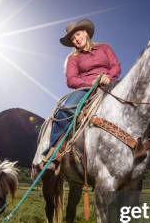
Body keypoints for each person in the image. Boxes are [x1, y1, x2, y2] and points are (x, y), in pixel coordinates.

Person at [40, 19, 121, 170]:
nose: (76, 39)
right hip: (86, 89)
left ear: (85, 33)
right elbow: (71, 80)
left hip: (110, 84)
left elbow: (115, 65)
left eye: (78, 34)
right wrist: (92, 83)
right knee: (66, 109)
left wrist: (108, 77)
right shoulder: (73, 58)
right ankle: (54, 151)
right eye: (73, 39)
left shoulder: (105, 47)